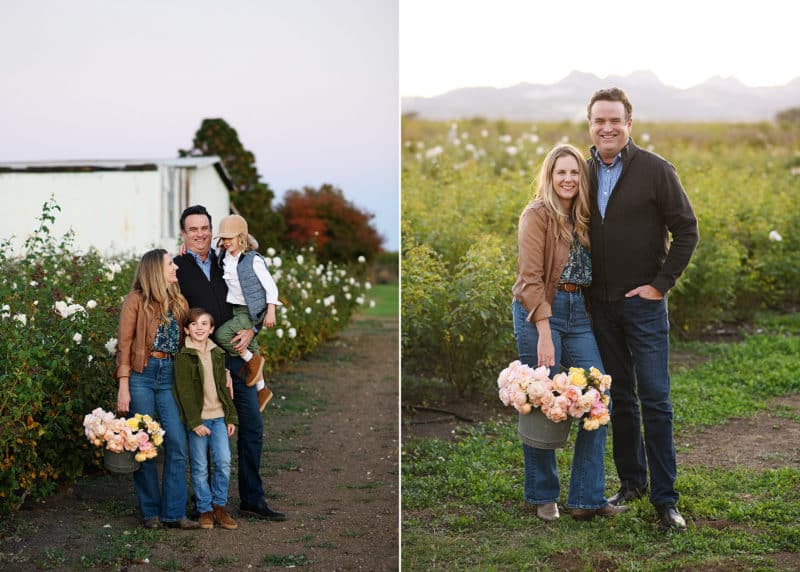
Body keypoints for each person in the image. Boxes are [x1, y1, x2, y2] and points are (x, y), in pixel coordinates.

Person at [586, 87, 699, 532]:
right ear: (590, 124)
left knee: (655, 399)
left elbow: (686, 230)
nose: (607, 127)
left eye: (615, 120)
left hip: (645, 308)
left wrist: (660, 284)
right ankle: (631, 483)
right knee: (621, 399)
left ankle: (665, 500)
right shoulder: (583, 171)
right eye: (599, 120)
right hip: (601, 307)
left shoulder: (655, 170)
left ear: (628, 124)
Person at [511, 144, 628, 522]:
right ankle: (543, 494)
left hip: (579, 314)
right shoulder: (537, 215)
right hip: (540, 311)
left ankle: (587, 497)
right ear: (550, 176)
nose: (567, 179)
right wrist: (544, 332)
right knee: (542, 399)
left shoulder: (584, 218)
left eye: (574, 173)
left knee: (597, 394)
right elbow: (529, 280)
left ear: (582, 178)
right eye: (560, 172)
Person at [174, 205, 286, 522]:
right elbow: (179, 316)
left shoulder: (229, 258)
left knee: (252, 427)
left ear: (214, 230)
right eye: (192, 229)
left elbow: (257, 295)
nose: (200, 234)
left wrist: (253, 328)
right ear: (184, 233)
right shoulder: (178, 267)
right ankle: (206, 505)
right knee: (204, 433)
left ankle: (252, 499)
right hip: (206, 364)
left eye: (205, 228)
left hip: (238, 357)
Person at [115, 249, 199, 530]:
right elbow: (124, 346)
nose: (175, 267)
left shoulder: (178, 302)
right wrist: (123, 386)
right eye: (170, 263)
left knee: (176, 442)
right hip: (141, 375)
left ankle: (174, 513)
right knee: (145, 444)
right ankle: (150, 511)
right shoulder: (135, 301)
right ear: (154, 270)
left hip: (169, 377)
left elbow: (190, 342)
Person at [173, 307, 239, 530]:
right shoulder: (184, 356)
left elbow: (224, 388)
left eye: (204, 324)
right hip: (199, 421)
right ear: (186, 329)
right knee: (200, 467)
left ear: (211, 329)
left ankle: (220, 507)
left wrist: (231, 416)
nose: (199, 327)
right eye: (194, 324)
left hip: (219, 417)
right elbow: (184, 392)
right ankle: (205, 510)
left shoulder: (218, 354)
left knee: (223, 461)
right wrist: (195, 422)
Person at [214, 214, 280, 410]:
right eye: (223, 239)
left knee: (222, 335)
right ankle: (262, 389)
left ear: (242, 238)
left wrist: (271, 311)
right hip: (235, 308)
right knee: (251, 344)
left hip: (249, 310)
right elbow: (207, 251)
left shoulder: (253, 260)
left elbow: (271, 287)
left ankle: (251, 361)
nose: (226, 242)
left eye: (230, 239)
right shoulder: (224, 256)